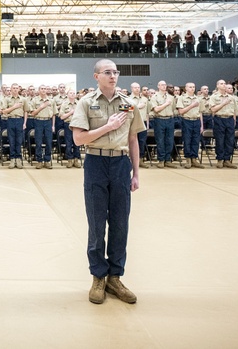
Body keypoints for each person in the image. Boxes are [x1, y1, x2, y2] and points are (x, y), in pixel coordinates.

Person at [70, 59, 144, 305]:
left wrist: (135, 173)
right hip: (96, 163)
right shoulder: (85, 103)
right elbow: (79, 139)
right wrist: (107, 127)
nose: (113, 76)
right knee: (97, 223)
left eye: (115, 72)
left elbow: (133, 139)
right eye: (107, 72)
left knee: (121, 223)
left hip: (121, 164)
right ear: (96, 76)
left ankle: (115, 276)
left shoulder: (129, 104)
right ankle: (98, 277)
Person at [208, 80, 238, 169]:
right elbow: (213, 109)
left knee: (230, 140)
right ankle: (220, 159)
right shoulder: (214, 97)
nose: (224, 85)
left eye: (225, 83)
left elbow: (235, 111)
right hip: (219, 118)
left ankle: (227, 159)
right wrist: (224, 103)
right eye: (221, 83)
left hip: (229, 119)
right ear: (217, 85)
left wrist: (234, 120)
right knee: (220, 140)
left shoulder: (231, 97)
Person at [26, 85, 57, 168]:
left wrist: (53, 125)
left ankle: (47, 160)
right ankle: (39, 160)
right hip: (38, 121)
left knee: (48, 142)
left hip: (48, 121)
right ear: (39, 90)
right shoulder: (34, 100)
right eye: (42, 89)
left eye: (45, 89)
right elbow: (32, 113)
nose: (43, 90)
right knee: (38, 142)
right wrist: (41, 107)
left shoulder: (51, 100)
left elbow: (54, 114)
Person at [176, 82, 204, 169]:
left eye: (193, 87)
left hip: (196, 121)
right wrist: (192, 105)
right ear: (186, 88)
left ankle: (194, 158)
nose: (192, 88)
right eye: (190, 87)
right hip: (186, 120)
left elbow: (200, 112)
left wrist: (202, 125)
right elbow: (181, 111)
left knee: (196, 141)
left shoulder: (198, 99)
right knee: (187, 140)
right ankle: (188, 159)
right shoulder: (181, 98)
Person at [149, 81, 177, 167]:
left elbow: (174, 110)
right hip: (159, 119)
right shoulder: (154, 97)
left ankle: (168, 159)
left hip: (169, 119)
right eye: (162, 85)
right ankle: (161, 159)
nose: (164, 86)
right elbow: (156, 110)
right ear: (158, 86)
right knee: (160, 140)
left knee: (169, 140)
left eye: (165, 85)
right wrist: (165, 104)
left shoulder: (171, 97)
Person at [0, 84, 27, 169]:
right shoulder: (7, 99)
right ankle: (12, 159)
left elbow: (26, 111)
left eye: (16, 88)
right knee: (11, 140)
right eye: (13, 88)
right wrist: (14, 107)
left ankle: (18, 159)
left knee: (19, 140)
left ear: (19, 89)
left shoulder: (23, 99)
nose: (15, 90)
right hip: (10, 120)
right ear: (10, 89)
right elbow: (4, 111)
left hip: (19, 120)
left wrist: (24, 123)